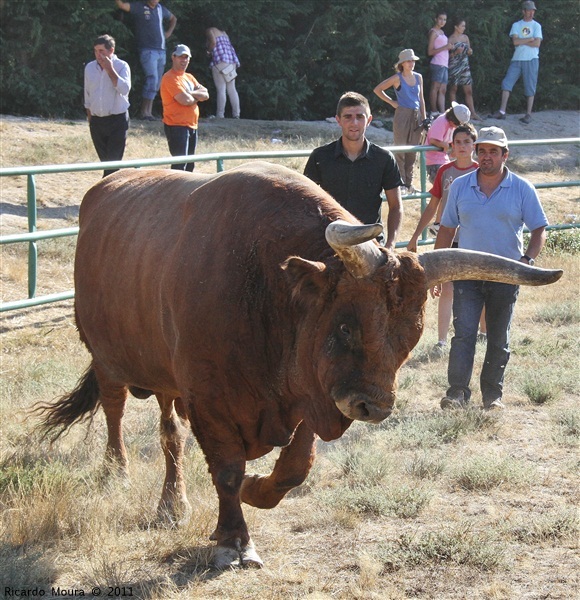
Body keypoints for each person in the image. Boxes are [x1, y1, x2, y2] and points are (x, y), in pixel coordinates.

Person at [434, 126, 548, 410]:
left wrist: (527, 261)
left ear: (505, 155)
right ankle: (457, 393)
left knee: (498, 337)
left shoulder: (522, 188)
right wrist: (436, 271)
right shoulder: (460, 186)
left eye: (493, 151)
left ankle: (492, 396)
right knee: (464, 334)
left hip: (505, 273)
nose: (486, 156)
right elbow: (446, 229)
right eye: (482, 150)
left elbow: (539, 229)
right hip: (467, 272)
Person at [407, 124, 485, 352]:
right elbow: (433, 205)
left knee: (479, 285)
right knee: (445, 287)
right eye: (457, 142)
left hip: (476, 239)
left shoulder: (483, 170)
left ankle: (484, 332)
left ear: (474, 145)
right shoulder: (445, 171)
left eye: (466, 142)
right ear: (451, 145)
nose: (462, 146)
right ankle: (441, 340)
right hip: (447, 238)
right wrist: (415, 236)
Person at [304, 92, 403, 250]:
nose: (354, 122)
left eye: (360, 116)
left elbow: (396, 206)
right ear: (338, 120)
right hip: (329, 242)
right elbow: (306, 204)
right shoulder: (320, 157)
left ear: (369, 120)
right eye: (348, 117)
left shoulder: (384, 159)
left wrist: (390, 246)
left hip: (371, 243)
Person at [373, 49, 427, 194]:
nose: (412, 63)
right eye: (409, 61)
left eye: (413, 60)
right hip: (402, 114)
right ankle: (401, 183)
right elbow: (378, 89)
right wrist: (392, 102)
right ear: (402, 63)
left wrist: (425, 118)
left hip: (417, 117)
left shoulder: (419, 77)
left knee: (413, 151)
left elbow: (421, 99)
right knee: (401, 149)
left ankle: (409, 184)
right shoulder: (397, 78)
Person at [115, 0, 177, 120]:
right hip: (147, 50)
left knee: (157, 82)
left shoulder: (160, 9)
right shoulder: (139, 7)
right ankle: (144, 112)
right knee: (152, 79)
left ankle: (149, 112)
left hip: (161, 50)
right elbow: (122, 6)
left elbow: (173, 18)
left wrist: (168, 32)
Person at [84, 34, 131, 178]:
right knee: (105, 163)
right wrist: (90, 118)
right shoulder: (90, 67)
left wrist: (110, 69)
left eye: (102, 51)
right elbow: (87, 94)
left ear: (111, 50)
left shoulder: (122, 66)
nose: (98, 55)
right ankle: (110, 195)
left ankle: (109, 196)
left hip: (117, 120)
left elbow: (124, 89)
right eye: (96, 51)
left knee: (113, 164)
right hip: (97, 121)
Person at [488, 1, 542, 125]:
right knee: (507, 83)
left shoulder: (536, 26)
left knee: (530, 86)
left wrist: (522, 40)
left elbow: (537, 43)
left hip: (531, 59)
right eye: (529, 10)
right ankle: (502, 111)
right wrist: (529, 39)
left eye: (533, 10)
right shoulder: (517, 25)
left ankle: (528, 114)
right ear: (523, 11)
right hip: (517, 59)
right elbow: (515, 42)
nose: (531, 12)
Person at [160, 44, 209, 171]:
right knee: (179, 165)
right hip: (176, 126)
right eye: (181, 57)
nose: (184, 60)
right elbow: (185, 100)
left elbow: (206, 94)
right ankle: (174, 191)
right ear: (173, 57)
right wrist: (195, 96)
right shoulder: (169, 77)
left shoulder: (189, 77)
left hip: (192, 125)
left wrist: (190, 93)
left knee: (190, 165)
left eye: (186, 57)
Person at [425, 102, 471, 183]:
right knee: (444, 187)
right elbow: (433, 140)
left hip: (443, 159)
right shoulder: (441, 122)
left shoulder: (450, 125)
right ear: (453, 120)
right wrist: (445, 145)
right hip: (434, 161)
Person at [448, 17, 480, 121]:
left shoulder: (465, 38)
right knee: (453, 89)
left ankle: (473, 113)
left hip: (465, 66)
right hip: (454, 66)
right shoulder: (451, 39)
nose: (464, 28)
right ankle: (455, 113)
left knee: (468, 90)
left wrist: (470, 51)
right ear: (456, 27)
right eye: (462, 26)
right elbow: (446, 55)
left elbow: (469, 51)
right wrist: (456, 52)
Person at [206, 27, 241, 119]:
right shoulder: (225, 33)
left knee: (221, 89)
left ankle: (220, 115)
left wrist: (208, 51)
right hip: (232, 62)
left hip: (220, 61)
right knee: (232, 88)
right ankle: (236, 114)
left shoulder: (211, 30)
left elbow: (213, 42)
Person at [427, 11, 454, 117]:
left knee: (443, 89)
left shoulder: (442, 32)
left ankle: (442, 112)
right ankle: (433, 111)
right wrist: (445, 47)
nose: (442, 21)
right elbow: (430, 51)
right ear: (436, 19)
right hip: (437, 63)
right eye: (440, 19)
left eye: (445, 19)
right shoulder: (434, 32)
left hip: (444, 64)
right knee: (435, 87)